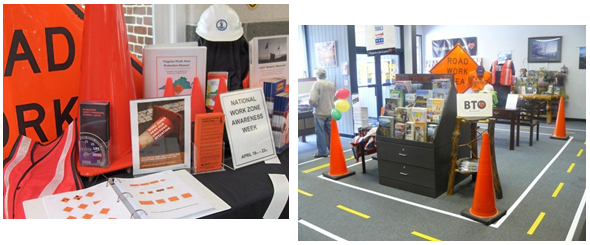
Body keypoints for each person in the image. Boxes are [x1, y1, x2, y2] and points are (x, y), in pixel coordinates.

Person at [309, 68, 336, 158]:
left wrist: (314, 105)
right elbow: (334, 98)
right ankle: (334, 150)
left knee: (320, 132)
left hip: (320, 112)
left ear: (317, 75)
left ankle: (322, 152)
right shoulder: (331, 84)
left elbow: (313, 99)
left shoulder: (317, 84)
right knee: (331, 132)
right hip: (331, 111)